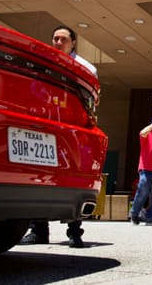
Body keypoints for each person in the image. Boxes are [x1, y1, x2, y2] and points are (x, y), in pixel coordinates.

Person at [20, 25, 97, 248]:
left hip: (71, 130)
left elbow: (89, 101)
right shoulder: (43, 62)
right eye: (55, 38)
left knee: (73, 178)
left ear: (73, 42)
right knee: (39, 176)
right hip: (45, 126)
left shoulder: (85, 68)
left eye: (63, 39)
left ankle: (75, 232)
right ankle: (38, 230)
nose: (58, 42)